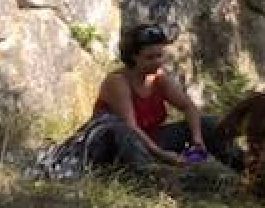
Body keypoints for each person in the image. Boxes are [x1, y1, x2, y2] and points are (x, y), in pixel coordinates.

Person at [82, 23, 238, 171]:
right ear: (133, 57)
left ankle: (247, 169)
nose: (158, 62)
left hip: (150, 141)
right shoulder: (117, 82)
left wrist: (197, 140)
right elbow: (131, 127)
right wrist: (162, 155)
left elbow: (188, 107)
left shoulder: (159, 78)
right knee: (126, 135)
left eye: (160, 55)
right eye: (150, 58)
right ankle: (152, 178)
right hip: (117, 148)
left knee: (209, 124)